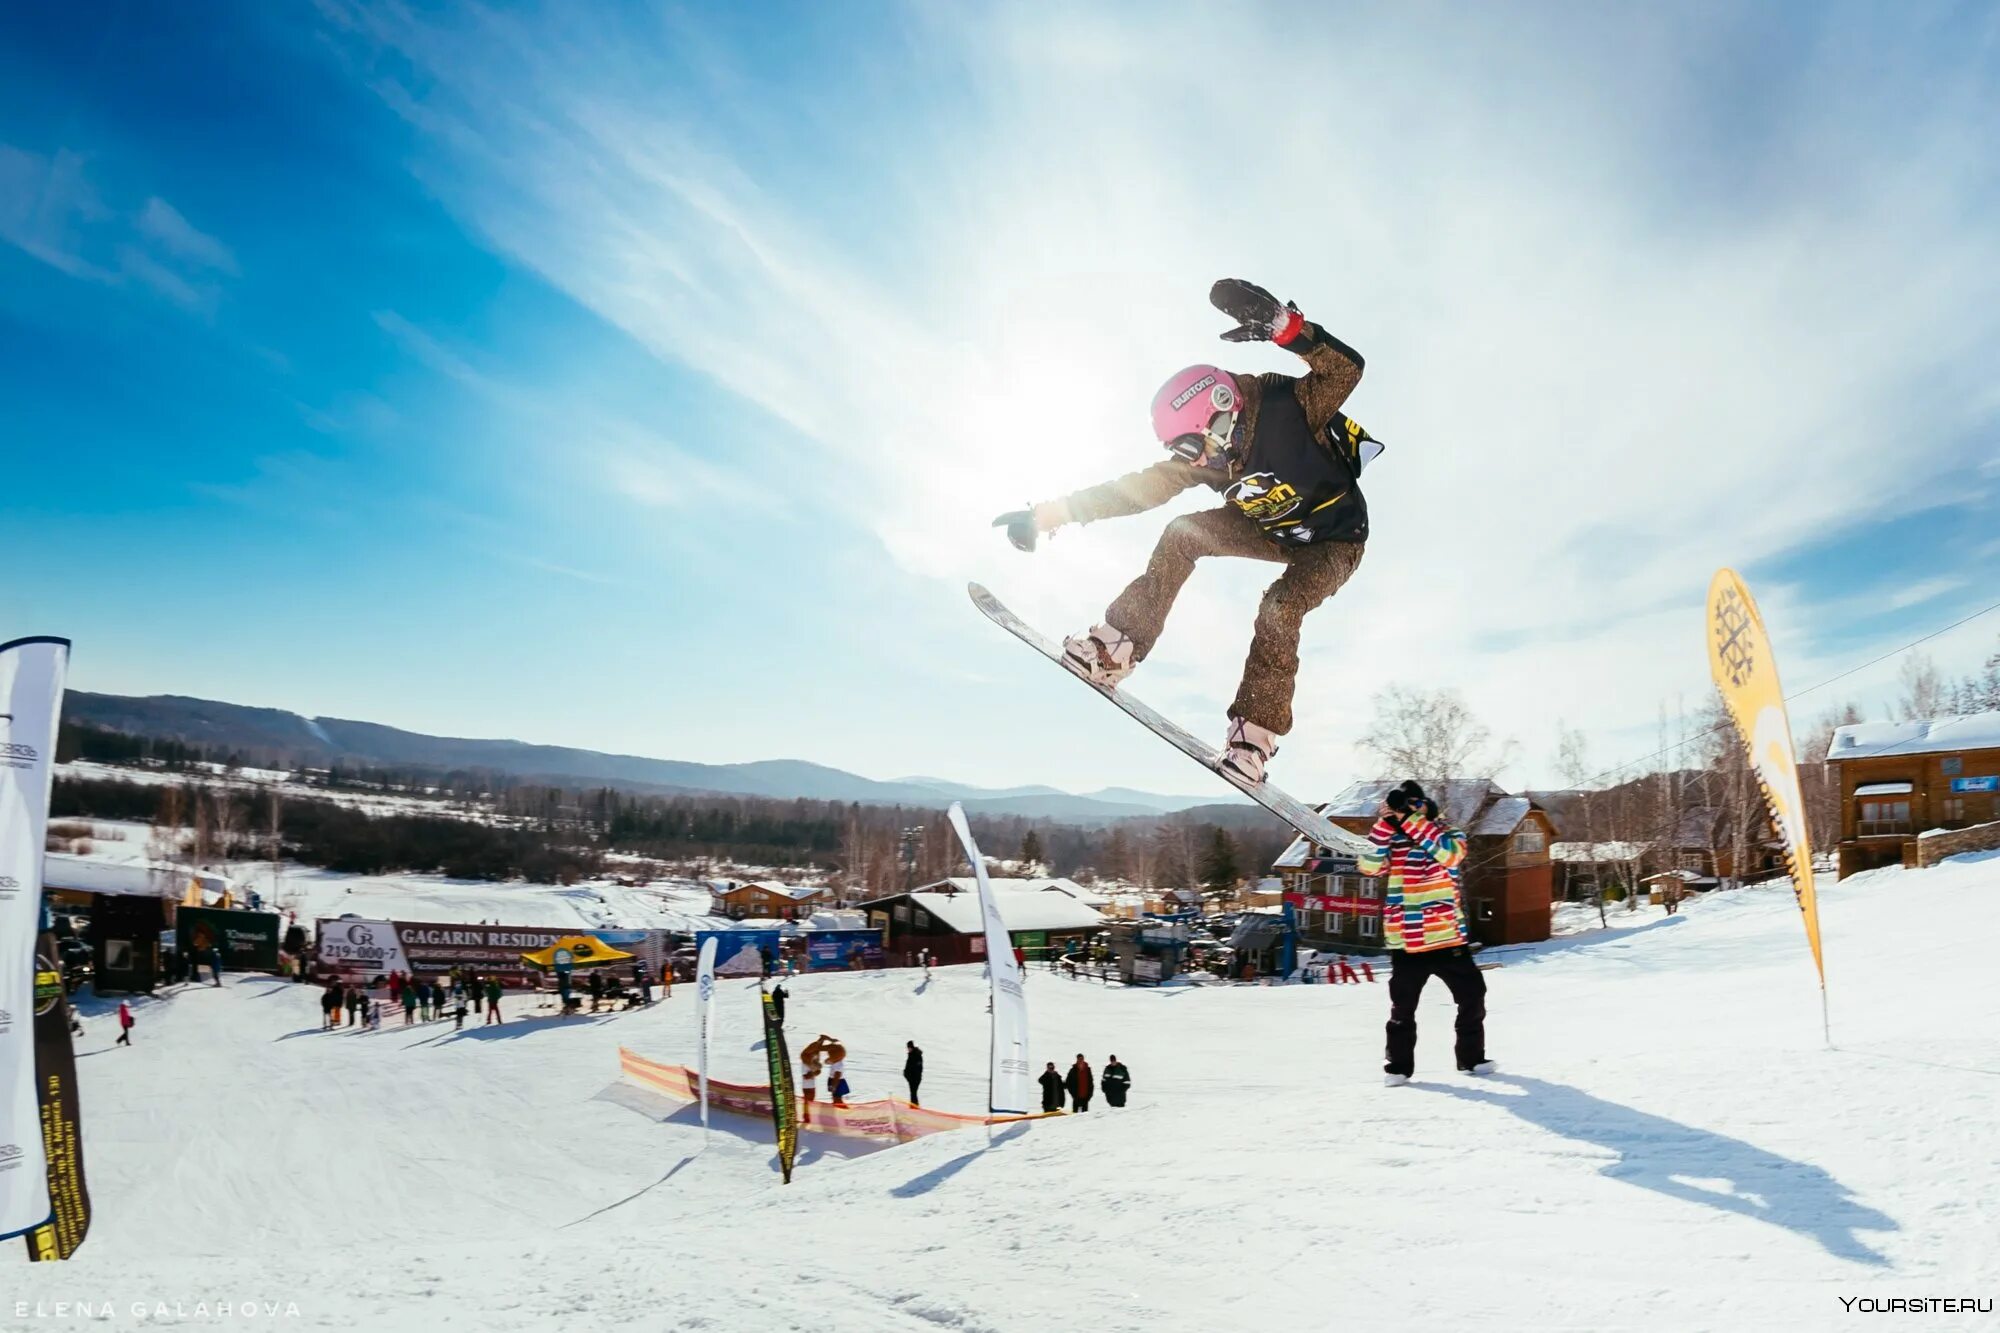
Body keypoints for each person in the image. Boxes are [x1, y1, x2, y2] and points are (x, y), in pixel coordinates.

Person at [993, 279, 1381, 784]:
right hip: (1271, 529)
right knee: (1183, 533)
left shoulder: (1290, 406)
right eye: (1182, 454)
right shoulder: (1209, 458)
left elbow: (1346, 369)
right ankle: (1117, 648)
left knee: (1282, 606)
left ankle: (1253, 740)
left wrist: (1287, 329)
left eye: (1195, 445)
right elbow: (1134, 490)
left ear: (1223, 408)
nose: (1197, 462)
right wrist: (1048, 515)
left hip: (1335, 540)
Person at [1360, 780, 1493, 1085]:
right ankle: (1398, 1067)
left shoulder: (1448, 833)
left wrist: (1409, 819)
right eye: (1404, 807)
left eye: (1414, 806)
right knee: (1402, 1009)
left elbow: (1450, 856)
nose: (1409, 812)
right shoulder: (1391, 839)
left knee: (1472, 996)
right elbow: (1368, 865)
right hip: (1407, 941)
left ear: (1424, 806)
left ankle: (1471, 1059)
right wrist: (1384, 823)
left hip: (1446, 938)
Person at [903, 1041, 924, 1106]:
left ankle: (914, 1106)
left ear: (911, 1047)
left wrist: (912, 1077)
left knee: (913, 1093)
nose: (908, 1049)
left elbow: (918, 1068)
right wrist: (906, 1073)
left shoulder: (917, 1055)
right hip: (911, 1078)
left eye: (908, 1047)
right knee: (913, 1093)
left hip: (915, 1078)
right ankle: (913, 1106)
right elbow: (908, 1066)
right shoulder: (911, 1054)